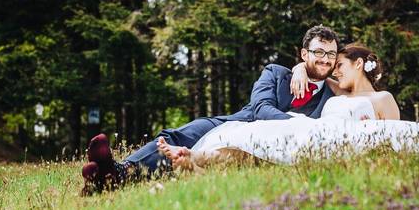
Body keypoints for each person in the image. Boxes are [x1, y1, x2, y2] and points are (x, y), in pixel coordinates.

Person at [81, 25, 340, 194]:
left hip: (264, 149)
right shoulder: (275, 73)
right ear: (304, 54)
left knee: (191, 154)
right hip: (238, 122)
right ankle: (117, 171)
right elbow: (260, 108)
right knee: (178, 135)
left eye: (331, 54)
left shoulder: (332, 97)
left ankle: (110, 178)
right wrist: (296, 113)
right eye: (319, 51)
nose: (325, 59)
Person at [156, 43, 400, 169]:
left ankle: (197, 159)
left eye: (340, 66)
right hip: (313, 131)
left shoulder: (382, 99)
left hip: (336, 141)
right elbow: (315, 72)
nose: (334, 71)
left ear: (358, 64)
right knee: (257, 137)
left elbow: (395, 138)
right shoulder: (337, 89)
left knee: (265, 143)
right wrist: (300, 68)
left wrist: (367, 133)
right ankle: (197, 160)